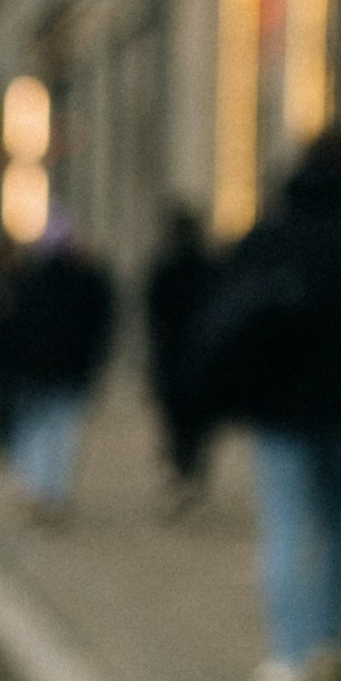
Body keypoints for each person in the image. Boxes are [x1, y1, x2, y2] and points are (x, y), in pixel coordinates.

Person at [186, 123, 341, 681]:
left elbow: (225, 318)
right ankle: (330, 646)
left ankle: (290, 658)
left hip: (281, 411)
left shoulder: (272, 233)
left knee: (288, 526)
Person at [0, 212, 117, 521]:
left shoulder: (30, 281)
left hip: (36, 373)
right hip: (67, 374)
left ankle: (37, 491)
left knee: (35, 431)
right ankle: (55, 491)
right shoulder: (85, 280)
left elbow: (15, 329)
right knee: (61, 434)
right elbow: (98, 327)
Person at [142, 202, 214, 506]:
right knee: (197, 421)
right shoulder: (207, 267)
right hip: (201, 356)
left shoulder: (164, 267)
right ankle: (190, 469)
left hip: (171, 356)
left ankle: (181, 468)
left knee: (175, 419)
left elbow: (152, 313)